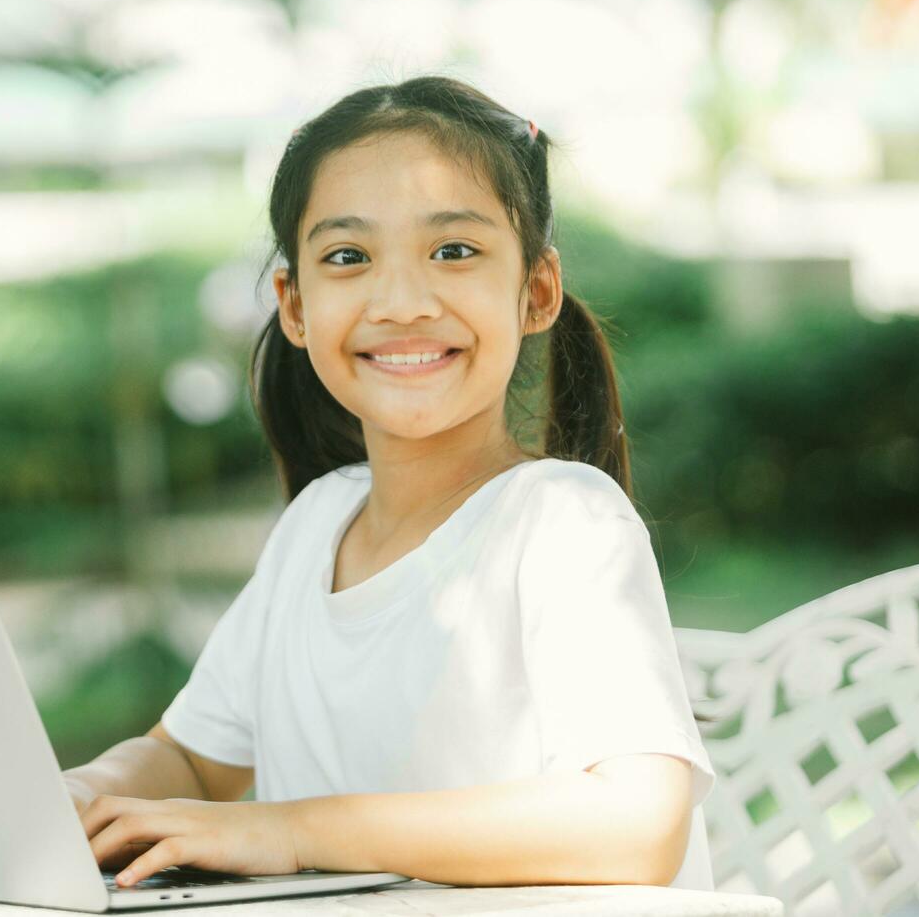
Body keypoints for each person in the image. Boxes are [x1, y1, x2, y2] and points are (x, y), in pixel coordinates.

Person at [66, 75, 716, 893]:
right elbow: (192, 762)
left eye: (454, 250)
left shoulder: (561, 522)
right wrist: (72, 798)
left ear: (537, 291)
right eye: (348, 257)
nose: (402, 302)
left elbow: (637, 828)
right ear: (294, 307)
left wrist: (298, 830)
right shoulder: (317, 522)